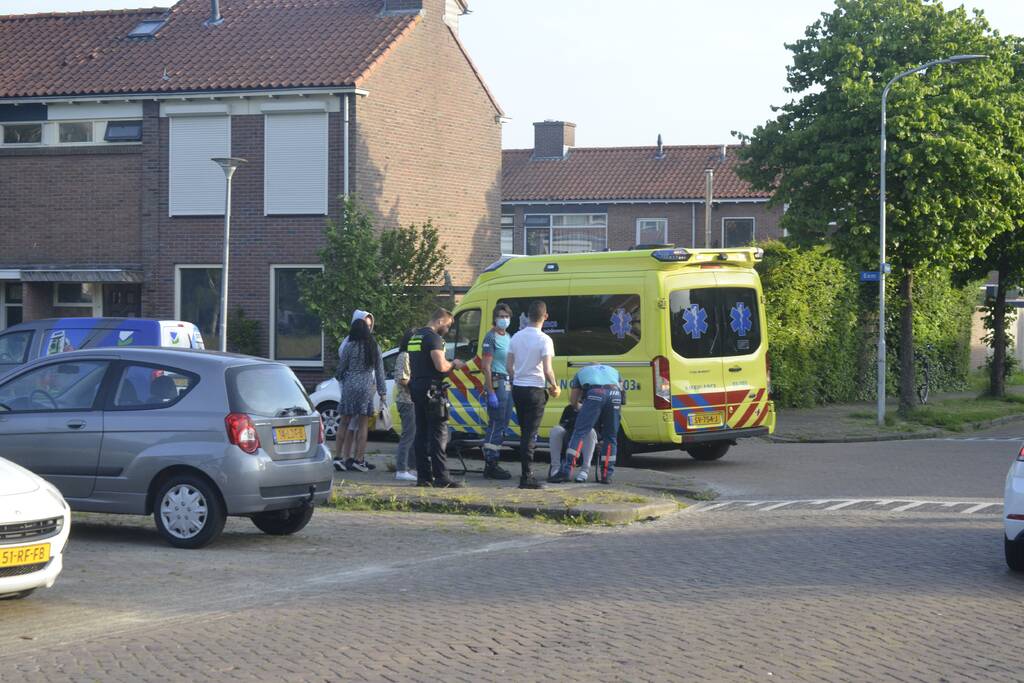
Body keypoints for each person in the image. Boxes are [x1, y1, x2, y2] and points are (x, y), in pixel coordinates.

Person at [408, 308, 467, 488]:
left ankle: (424, 477)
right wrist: (454, 364)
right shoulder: (434, 338)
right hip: (432, 390)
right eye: (447, 326)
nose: (447, 330)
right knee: (438, 434)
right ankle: (442, 477)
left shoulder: (415, 337)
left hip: (417, 387)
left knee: (421, 433)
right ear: (440, 321)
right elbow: (441, 366)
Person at [507, 300, 560, 490]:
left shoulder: (515, 337)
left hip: (518, 389)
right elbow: (547, 369)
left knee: (524, 432)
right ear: (545, 316)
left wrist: (517, 378)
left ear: (528, 316)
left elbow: (508, 367)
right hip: (535, 390)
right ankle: (527, 476)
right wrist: (554, 385)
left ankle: (525, 472)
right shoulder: (545, 340)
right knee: (530, 434)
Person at [333, 318, 386, 473]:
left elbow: (340, 369)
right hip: (366, 387)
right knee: (363, 425)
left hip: (350, 385)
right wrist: (382, 391)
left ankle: (338, 458)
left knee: (344, 422)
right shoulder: (374, 347)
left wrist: (342, 378)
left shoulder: (349, 346)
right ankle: (359, 459)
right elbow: (380, 371)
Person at [560, 363, 622, 485]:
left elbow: (573, 401)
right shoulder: (614, 371)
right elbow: (622, 393)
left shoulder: (581, 372)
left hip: (595, 393)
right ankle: (607, 475)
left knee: (580, 433)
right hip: (615, 394)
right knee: (611, 437)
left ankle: (566, 472)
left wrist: (580, 407)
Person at [479, 304, 514, 480]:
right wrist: (491, 391)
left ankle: (494, 460)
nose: (504, 319)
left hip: (508, 383)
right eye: (501, 316)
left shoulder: (508, 336)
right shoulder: (490, 337)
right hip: (497, 382)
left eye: (506, 316)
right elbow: (485, 366)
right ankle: (490, 464)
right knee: (495, 423)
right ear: (495, 318)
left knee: (503, 424)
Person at [547, 403, 597, 483]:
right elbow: (563, 425)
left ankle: (585, 470)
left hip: (585, 442)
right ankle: (556, 468)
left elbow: (598, 430)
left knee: (591, 431)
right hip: (569, 437)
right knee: (556, 430)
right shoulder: (569, 408)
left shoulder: (595, 407)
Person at [392, 329, 417, 482]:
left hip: (411, 400)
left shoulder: (412, 356)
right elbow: (402, 378)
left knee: (413, 436)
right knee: (408, 436)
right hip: (406, 400)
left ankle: (412, 468)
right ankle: (401, 469)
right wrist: (416, 385)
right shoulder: (404, 356)